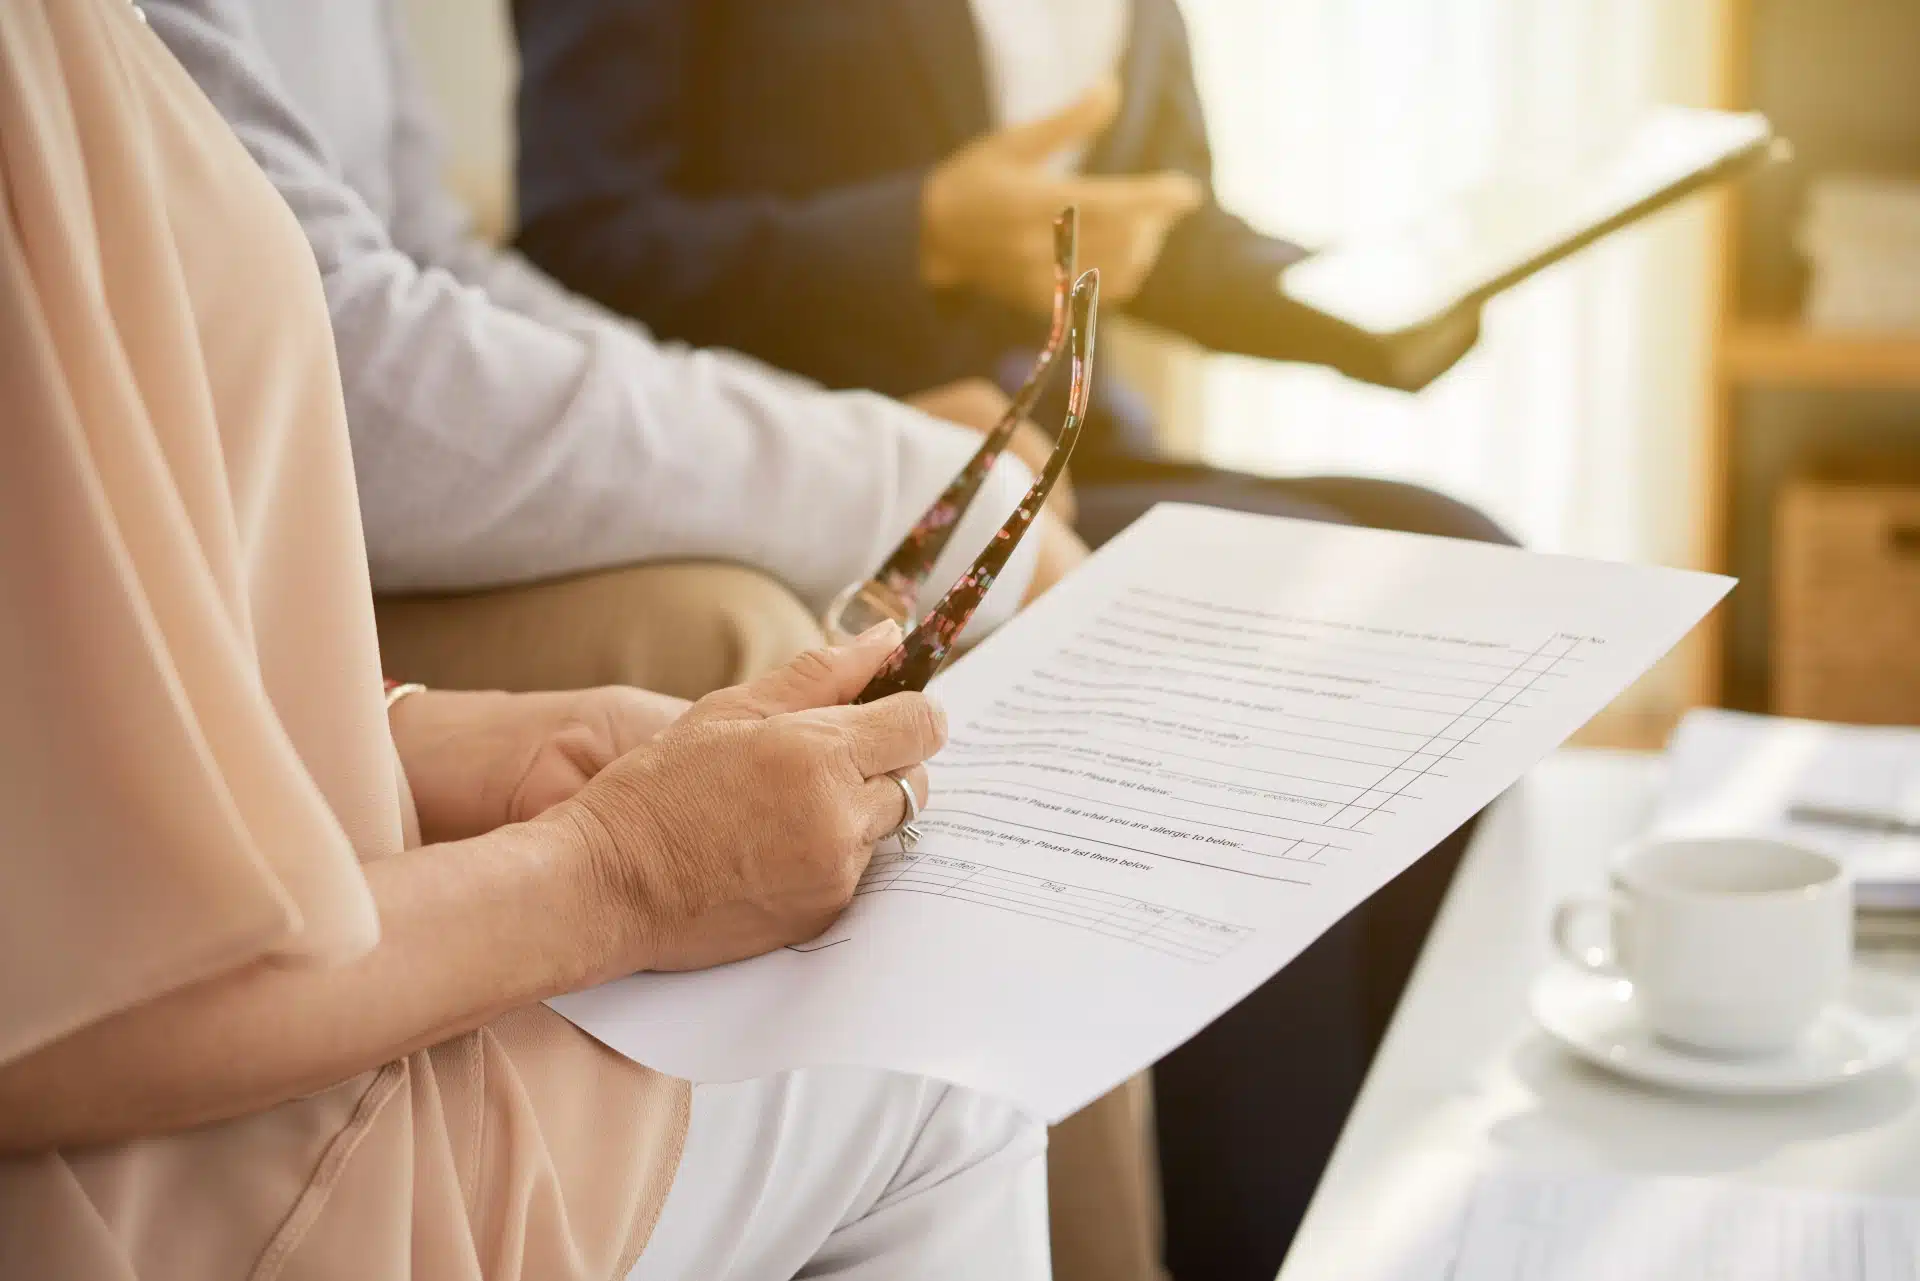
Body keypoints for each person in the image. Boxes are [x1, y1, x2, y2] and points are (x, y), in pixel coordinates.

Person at [0, 2, 1049, 1277]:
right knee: (945, 1078)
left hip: (245, 1025)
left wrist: (419, 729)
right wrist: (624, 870)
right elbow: (92, 981)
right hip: (182, 1187)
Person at [510, 0, 1486, 481]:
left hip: (1074, 446)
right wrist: (922, 235)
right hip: (832, 456)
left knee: (1460, 553)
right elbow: (579, 244)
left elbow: (1156, 229)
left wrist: (1379, 312)